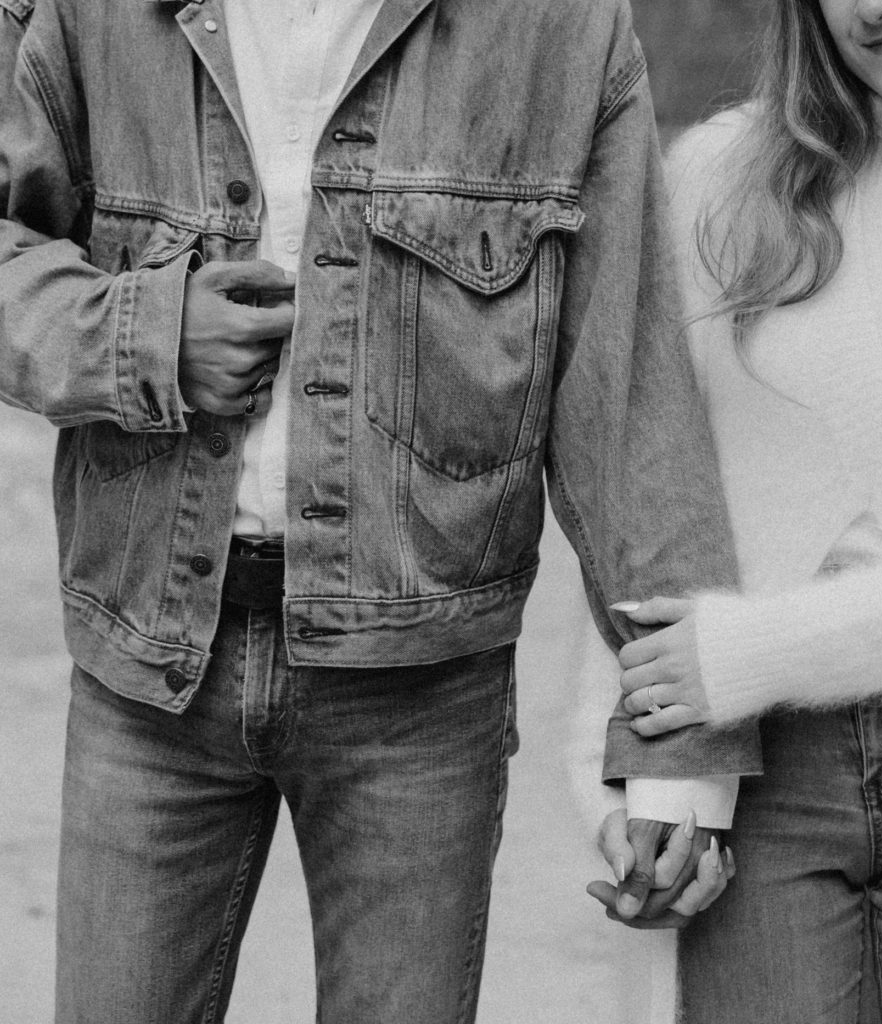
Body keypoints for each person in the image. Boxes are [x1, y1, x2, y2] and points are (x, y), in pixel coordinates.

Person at [0, 0, 745, 1020]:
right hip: (148, 665)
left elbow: (627, 387)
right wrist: (147, 336)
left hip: (422, 693)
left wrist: (679, 749)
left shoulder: (557, 29)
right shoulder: (89, 15)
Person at [582, 0, 882, 1020]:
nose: (873, 6)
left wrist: (751, 652)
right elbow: (651, 489)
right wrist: (643, 785)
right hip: (756, 781)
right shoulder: (721, 177)